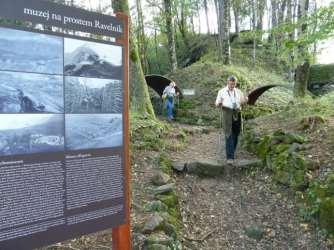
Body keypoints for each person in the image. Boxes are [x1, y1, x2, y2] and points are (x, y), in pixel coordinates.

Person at [215, 76, 248, 164]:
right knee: (228, 133)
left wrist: (245, 100)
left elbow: (242, 102)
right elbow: (217, 103)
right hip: (227, 112)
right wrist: (219, 104)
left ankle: (231, 151)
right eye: (230, 84)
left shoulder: (238, 92)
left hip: (237, 112)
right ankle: (230, 157)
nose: (232, 85)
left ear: (235, 83)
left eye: (234, 84)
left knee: (236, 133)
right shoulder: (221, 91)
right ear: (227, 82)